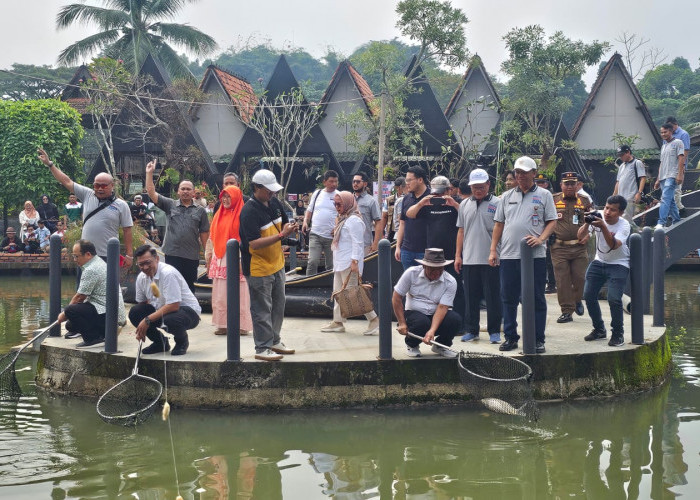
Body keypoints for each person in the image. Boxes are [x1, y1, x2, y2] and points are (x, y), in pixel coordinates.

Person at [489, 156, 557, 354]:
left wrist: (541, 239)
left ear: (534, 173)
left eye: (524, 172)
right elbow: (499, 224)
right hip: (509, 254)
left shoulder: (544, 195)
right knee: (508, 297)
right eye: (517, 172)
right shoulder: (507, 196)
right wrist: (493, 249)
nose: (520, 176)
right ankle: (511, 337)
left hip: (534, 256)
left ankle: (537, 339)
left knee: (536, 297)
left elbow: (552, 221)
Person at [239, 169, 297, 362]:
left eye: (274, 190)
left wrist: (289, 231)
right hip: (258, 266)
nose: (272, 193)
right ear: (256, 188)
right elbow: (253, 243)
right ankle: (262, 347)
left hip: (277, 263)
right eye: (268, 190)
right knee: (261, 308)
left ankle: (274, 340)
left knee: (279, 305)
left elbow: (284, 226)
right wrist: (282, 236)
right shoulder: (248, 211)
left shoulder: (275, 203)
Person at [38, 148, 134, 262]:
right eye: (96, 185)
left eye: (103, 186)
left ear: (112, 185)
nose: (99, 188)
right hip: (86, 255)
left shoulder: (121, 205)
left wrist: (129, 255)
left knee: (108, 280)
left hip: (108, 255)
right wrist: (50, 164)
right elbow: (66, 181)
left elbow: (127, 230)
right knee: (83, 280)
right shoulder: (88, 194)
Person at [406, 175, 465, 334]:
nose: (439, 197)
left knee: (457, 287)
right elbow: (409, 214)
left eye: (441, 193)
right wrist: (421, 203)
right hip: (432, 256)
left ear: (449, 190)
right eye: (436, 193)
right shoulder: (428, 204)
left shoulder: (456, 203)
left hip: (453, 253)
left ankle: (460, 324)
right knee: (432, 288)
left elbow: (468, 215)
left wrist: (454, 204)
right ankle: (433, 322)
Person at [145, 159, 210, 292]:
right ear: (178, 191)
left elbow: (204, 234)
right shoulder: (170, 204)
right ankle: (172, 312)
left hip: (191, 256)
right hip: (172, 254)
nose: (185, 191)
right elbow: (151, 193)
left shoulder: (200, 210)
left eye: (188, 189)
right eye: (183, 189)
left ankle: (187, 312)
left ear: (193, 192)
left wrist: (208, 256)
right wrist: (149, 173)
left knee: (188, 288)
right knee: (171, 286)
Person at [321, 191, 379, 335]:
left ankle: (374, 319)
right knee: (338, 293)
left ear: (347, 203)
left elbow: (358, 243)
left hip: (349, 263)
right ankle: (338, 322)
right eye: (335, 204)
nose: (337, 207)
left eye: (339, 204)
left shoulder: (354, 220)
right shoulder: (344, 219)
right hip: (340, 262)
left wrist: (354, 262)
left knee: (354, 294)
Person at [455, 168, 502, 343]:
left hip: (492, 258)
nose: (478, 190)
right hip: (469, 258)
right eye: (475, 187)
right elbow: (461, 231)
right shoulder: (465, 204)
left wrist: (494, 251)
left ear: (488, 185)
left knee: (492, 297)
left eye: (481, 186)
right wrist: (458, 255)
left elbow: (501, 228)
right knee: (471, 296)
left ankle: (494, 331)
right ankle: (472, 329)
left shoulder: (498, 203)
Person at [578, 195, 630, 347]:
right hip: (599, 261)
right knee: (588, 295)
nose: (607, 212)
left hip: (619, 263)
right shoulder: (599, 216)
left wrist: (603, 227)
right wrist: (587, 224)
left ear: (621, 213)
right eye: (606, 207)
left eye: (613, 210)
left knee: (614, 298)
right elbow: (580, 236)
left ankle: (618, 334)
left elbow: (614, 245)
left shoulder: (624, 225)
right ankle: (599, 329)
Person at [130, 245, 201, 355]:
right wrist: (142, 325)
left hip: (187, 312)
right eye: (141, 264)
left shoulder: (168, 273)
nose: (145, 267)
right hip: (163, 310)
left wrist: (147, 320)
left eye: (148, 262)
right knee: (135, 312)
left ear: (157, 259)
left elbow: (173, 305)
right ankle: (160, 342)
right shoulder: (141, 278)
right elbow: (142, 304)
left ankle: (182, 342)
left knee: (170, 319)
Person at [393, 248, 460, 358]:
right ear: (424, 266)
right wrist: (402, 323)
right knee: (421, 323)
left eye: (439, 270)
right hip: (414, 313)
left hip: (436, 313)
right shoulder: (411, 273)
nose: (436, 274)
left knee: (455, 319)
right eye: (432, 270)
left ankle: (441, 345)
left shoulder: (450, 281)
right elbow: (396, 297)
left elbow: (443, 307)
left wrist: (432, 331)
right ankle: (412, 344)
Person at [58, 240, 126, 347]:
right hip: (107, 311)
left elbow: (79, 297)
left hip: (108, 315)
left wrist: (64, 314)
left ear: (88, 254)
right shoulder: (98, 261)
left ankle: (92, 338)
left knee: (70, 310)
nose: (75, 260)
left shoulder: (91, 269)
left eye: (77, 256)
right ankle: (99, 333)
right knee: (70, 326)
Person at [207, 185, 252, 336]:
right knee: (220, 293)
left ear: (236, 198)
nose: (225, 200)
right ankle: (223, 324)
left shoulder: (243, 215)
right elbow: (212, 237)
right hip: (220, 257)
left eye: (229, 197)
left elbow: (246, 239)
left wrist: (241, 259)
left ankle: (241, 326)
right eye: (223, 197)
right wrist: (209, 256)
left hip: (237, 257)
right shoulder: (219, 214)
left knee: (240, 293)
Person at [551, 172, 592, 324]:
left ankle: (577, 300)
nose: (569, 186)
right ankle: (567, 311)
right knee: (562, 280)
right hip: (559, 247)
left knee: (580, 278)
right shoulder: (553, 200)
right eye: (566, 183)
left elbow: (592, 220)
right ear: (561, 185)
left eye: (572, 183)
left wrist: (588, 235)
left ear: (577, 185)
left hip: (579, 247)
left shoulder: (584, 200)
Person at [302, 170, 339, 275]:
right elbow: (310, 210)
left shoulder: (339, 196)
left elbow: (343, 215)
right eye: (331, 181)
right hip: (315, 234)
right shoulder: (317, 193)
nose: (334, 184)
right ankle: (308, 285)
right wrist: (305, 221)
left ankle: (331, 286)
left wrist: (338, 227)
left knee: (331, 265)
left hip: (332, 236)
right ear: (324, 182)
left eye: (336, 181)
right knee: (312, 262)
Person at [395, 166, 429, 270]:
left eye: (409, 180)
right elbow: (402, 223)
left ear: (420, 180)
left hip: (425, 251)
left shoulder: (431, 197)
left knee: (425, 283)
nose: (407, 184)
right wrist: (398, 246)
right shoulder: (406, 198)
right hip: (406, 250)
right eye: (406, 180)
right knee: (408, 283)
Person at [655, 124, 685, 229]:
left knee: (664, 198)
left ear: (671, 131)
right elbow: (661, 163)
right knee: (670, 200)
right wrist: (658, 179)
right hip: (663, 176)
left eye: (665, 132)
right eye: (662, 132)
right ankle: (676, 220)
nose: (663, 134)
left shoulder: (678, 143)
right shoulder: (663, 146)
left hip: (672, 175)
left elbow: (681, 159)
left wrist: (680, 174)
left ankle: (661, 222)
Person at [612, 145, 647, 223]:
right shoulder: (621, 166)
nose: (620, 157)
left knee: (627, 219)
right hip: (620, 198)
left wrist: (639, 193)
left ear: (628, 152)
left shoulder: (637, 163)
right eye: (619, 155)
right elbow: (618, 182)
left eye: (622, 154)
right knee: (620, 219)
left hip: (630, 197)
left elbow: (643, 178)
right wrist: (614, 196)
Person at [352, 172, 382, 255]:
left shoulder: (371, 201)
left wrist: (375, 244)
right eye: (354, 181)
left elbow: (378, 222)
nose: (355, 184)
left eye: (358, 182)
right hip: (349, 243)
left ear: (365, 184)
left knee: (364, 267)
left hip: (364, 243)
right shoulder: (349, 200)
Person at [667, 117, 690, 212]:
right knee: (669, 190)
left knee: (676, 189)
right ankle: (676, 210)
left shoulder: (683, 134)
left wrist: (682, 166)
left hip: (678, 166)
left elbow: (685, 151)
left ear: (674, 124)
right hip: (668, 166)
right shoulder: (668, 134)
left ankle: (680, 209)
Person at [381, 177, 406, 241]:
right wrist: (381, 232)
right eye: (396, 187)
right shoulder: (389, 200)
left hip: (405, 230)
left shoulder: (408, 199)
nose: (397, 189)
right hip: (392, 231)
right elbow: (384, 217)